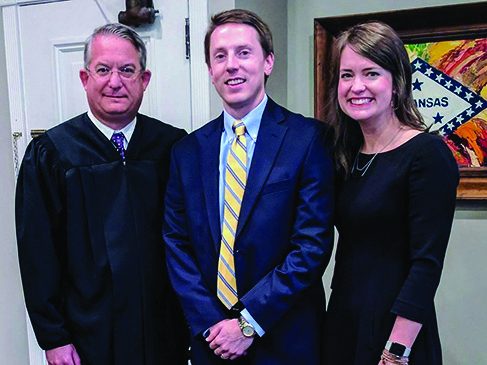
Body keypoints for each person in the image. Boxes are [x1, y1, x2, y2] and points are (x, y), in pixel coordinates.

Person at [163, 9, 335, 365]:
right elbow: (176, 243)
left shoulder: (308, 140)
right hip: (212, 342)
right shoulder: (187, 151)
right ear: (210, 70)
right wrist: (213, 323)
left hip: (284, 337)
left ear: (267, 61)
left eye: (244, 52)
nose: (231, 65)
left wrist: (247, 323)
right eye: (220, 56)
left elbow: (311, 245)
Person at [15, 23, 189, 365]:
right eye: (103, 69)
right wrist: (54, 337)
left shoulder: (172, 146)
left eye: (127, 70)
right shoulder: (51, 154)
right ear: (85, 78)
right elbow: (38, 254)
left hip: (163, 333)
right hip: (88, 338)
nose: (115, 81)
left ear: (145, 79)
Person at [321, 21, 459, 365]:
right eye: (346, 75)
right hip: (342, 318)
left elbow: (426, 265)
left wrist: (395, 352)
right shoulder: (343, 154)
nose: (357, 87)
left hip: (395, 331)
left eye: (371, 73)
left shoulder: (427, 153)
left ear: (396, 82)